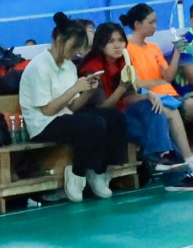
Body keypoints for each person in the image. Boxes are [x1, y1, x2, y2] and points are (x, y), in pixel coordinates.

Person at [18, 17, 129, 202]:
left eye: (79, 48)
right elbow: (47, 110)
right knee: (93, 124)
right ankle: (77, 174)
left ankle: (98, 171)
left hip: (64, 116)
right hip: (42, 124)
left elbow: (73, 107)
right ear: (58, 40)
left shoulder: (69, 66)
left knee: (115, 117)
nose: (76, 52)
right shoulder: (39, 66)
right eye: (73, 47)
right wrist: (75, 88)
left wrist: (88, 90)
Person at [79, 23, 193, 190]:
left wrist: (147, 96)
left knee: (154, 108)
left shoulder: (122, 62)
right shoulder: (93, 68)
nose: (117, 45)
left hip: (125, 114)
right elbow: (102, 108)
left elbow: (128, 98)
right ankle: (174, 174)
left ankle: (167, 158)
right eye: (111, 41)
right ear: (101, 44)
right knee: (154, 129)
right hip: (107, 120)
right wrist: (121, 88)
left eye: (120, 40)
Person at [120, 3, 193, 126]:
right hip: (152, 99)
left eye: (155, 22)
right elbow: (137, 84)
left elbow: (168, 77)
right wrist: (159, 82)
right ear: (137, 24)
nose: (155, 26)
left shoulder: (154, 48)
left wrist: (177, 52)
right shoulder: (126, 50)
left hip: (172, 96)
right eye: (151, 23)